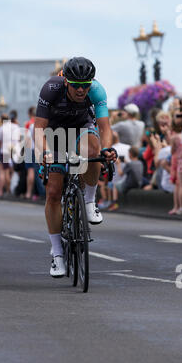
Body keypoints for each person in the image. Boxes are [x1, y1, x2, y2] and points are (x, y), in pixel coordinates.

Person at [34, 57, 117, 278]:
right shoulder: (51, 88)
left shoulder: (96, 90)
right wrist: (45, 153)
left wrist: (107, 148)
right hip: (55, 134)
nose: (81, 90)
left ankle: (89, 201)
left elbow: (104, 125)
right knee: (53, 192)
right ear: (66, 82)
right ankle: (58, 255)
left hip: (82, 127)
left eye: (85, 85)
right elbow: (39, 129)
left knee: (93, 152)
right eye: (76, 85)